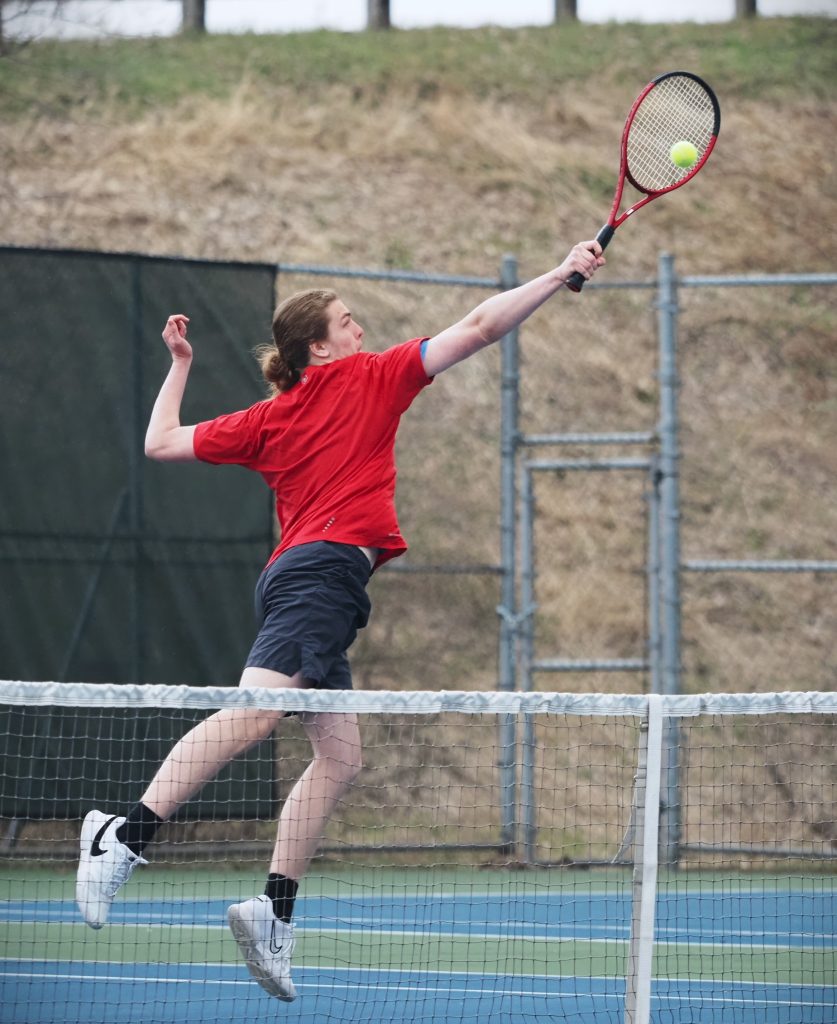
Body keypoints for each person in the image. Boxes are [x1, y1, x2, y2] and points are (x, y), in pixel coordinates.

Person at [75, 239, 604, 1002]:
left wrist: (181, 365)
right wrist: (558, 273)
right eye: (348, 322)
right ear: (320, 346)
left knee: (340, 757)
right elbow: (483, 325)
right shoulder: (369, 376)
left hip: (312, 582)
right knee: (255, 715)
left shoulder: (269, 416)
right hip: (319, 576)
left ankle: (273, 911)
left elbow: (159, 442)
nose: (361, 330)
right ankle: (122, 835)